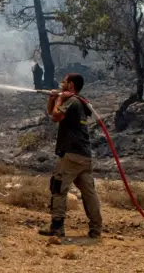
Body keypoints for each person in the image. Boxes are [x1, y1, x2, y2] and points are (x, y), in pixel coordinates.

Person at [38, 73, 103, 239]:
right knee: (89, 192)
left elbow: (56, 117)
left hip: (71, 155)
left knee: (58, 188)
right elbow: (52, 112)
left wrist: (59, 101)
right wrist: (53, 99)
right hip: (84, 155)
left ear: (71, 85)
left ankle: (57, 228)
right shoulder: (78, 102)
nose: (61, 83)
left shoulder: (72, 102)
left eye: (64, 82)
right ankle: (96, 229)